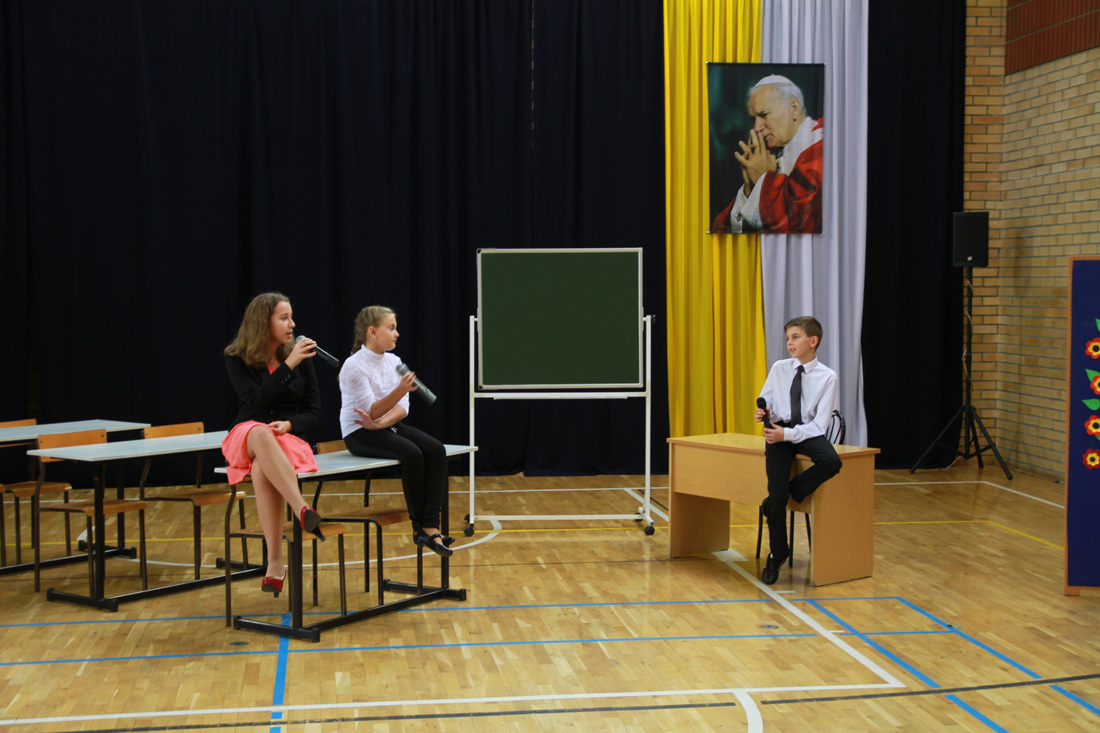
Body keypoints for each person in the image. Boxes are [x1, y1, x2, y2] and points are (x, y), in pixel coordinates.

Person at [222, 292, 327, 597]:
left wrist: (290, 424)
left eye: (291, 317)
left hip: (285, 439)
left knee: (261, 468)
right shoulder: (237, 357)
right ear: (262, 322)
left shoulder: (300, 356)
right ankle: (301, 508)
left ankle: (275, 564)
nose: (292, 324)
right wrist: (289, 365)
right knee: (259, 433)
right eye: (284, 318)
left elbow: (314, 412)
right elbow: (255, 402)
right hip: (246, 434)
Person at [338, 305, 453, 557]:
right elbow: (371, 410)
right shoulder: (353, 366)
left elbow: (402, 408)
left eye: (396, 328)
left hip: (384, 425)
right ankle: (419, 529)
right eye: (391, 328)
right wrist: (399, 392)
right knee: (412, 454)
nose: (397, 333)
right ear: (372, 332)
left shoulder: (394, 361)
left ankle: (432, 525)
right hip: (358, 432)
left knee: (436, 450)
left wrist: (382, 424)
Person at [754, 316, 841, 585]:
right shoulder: (779, 368)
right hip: (779, 432)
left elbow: (819, 425)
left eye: (795, 337)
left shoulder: (827, 377)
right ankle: (778, 553)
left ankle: (794, 491)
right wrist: (765, 412)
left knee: (831, 461)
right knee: (776, 497)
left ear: (813, 341)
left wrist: (789, 434)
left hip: (806, 432)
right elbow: (767, 399)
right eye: (787, 338)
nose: (789, 343)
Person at [713, 75, 823, 234]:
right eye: (753, 119)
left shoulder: (822, 148)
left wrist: (764, 180)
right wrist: (750, 190)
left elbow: (803, 223)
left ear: (794, 109)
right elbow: (720, 229)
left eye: (764, 115)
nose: (757, 127)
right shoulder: (774, 154)